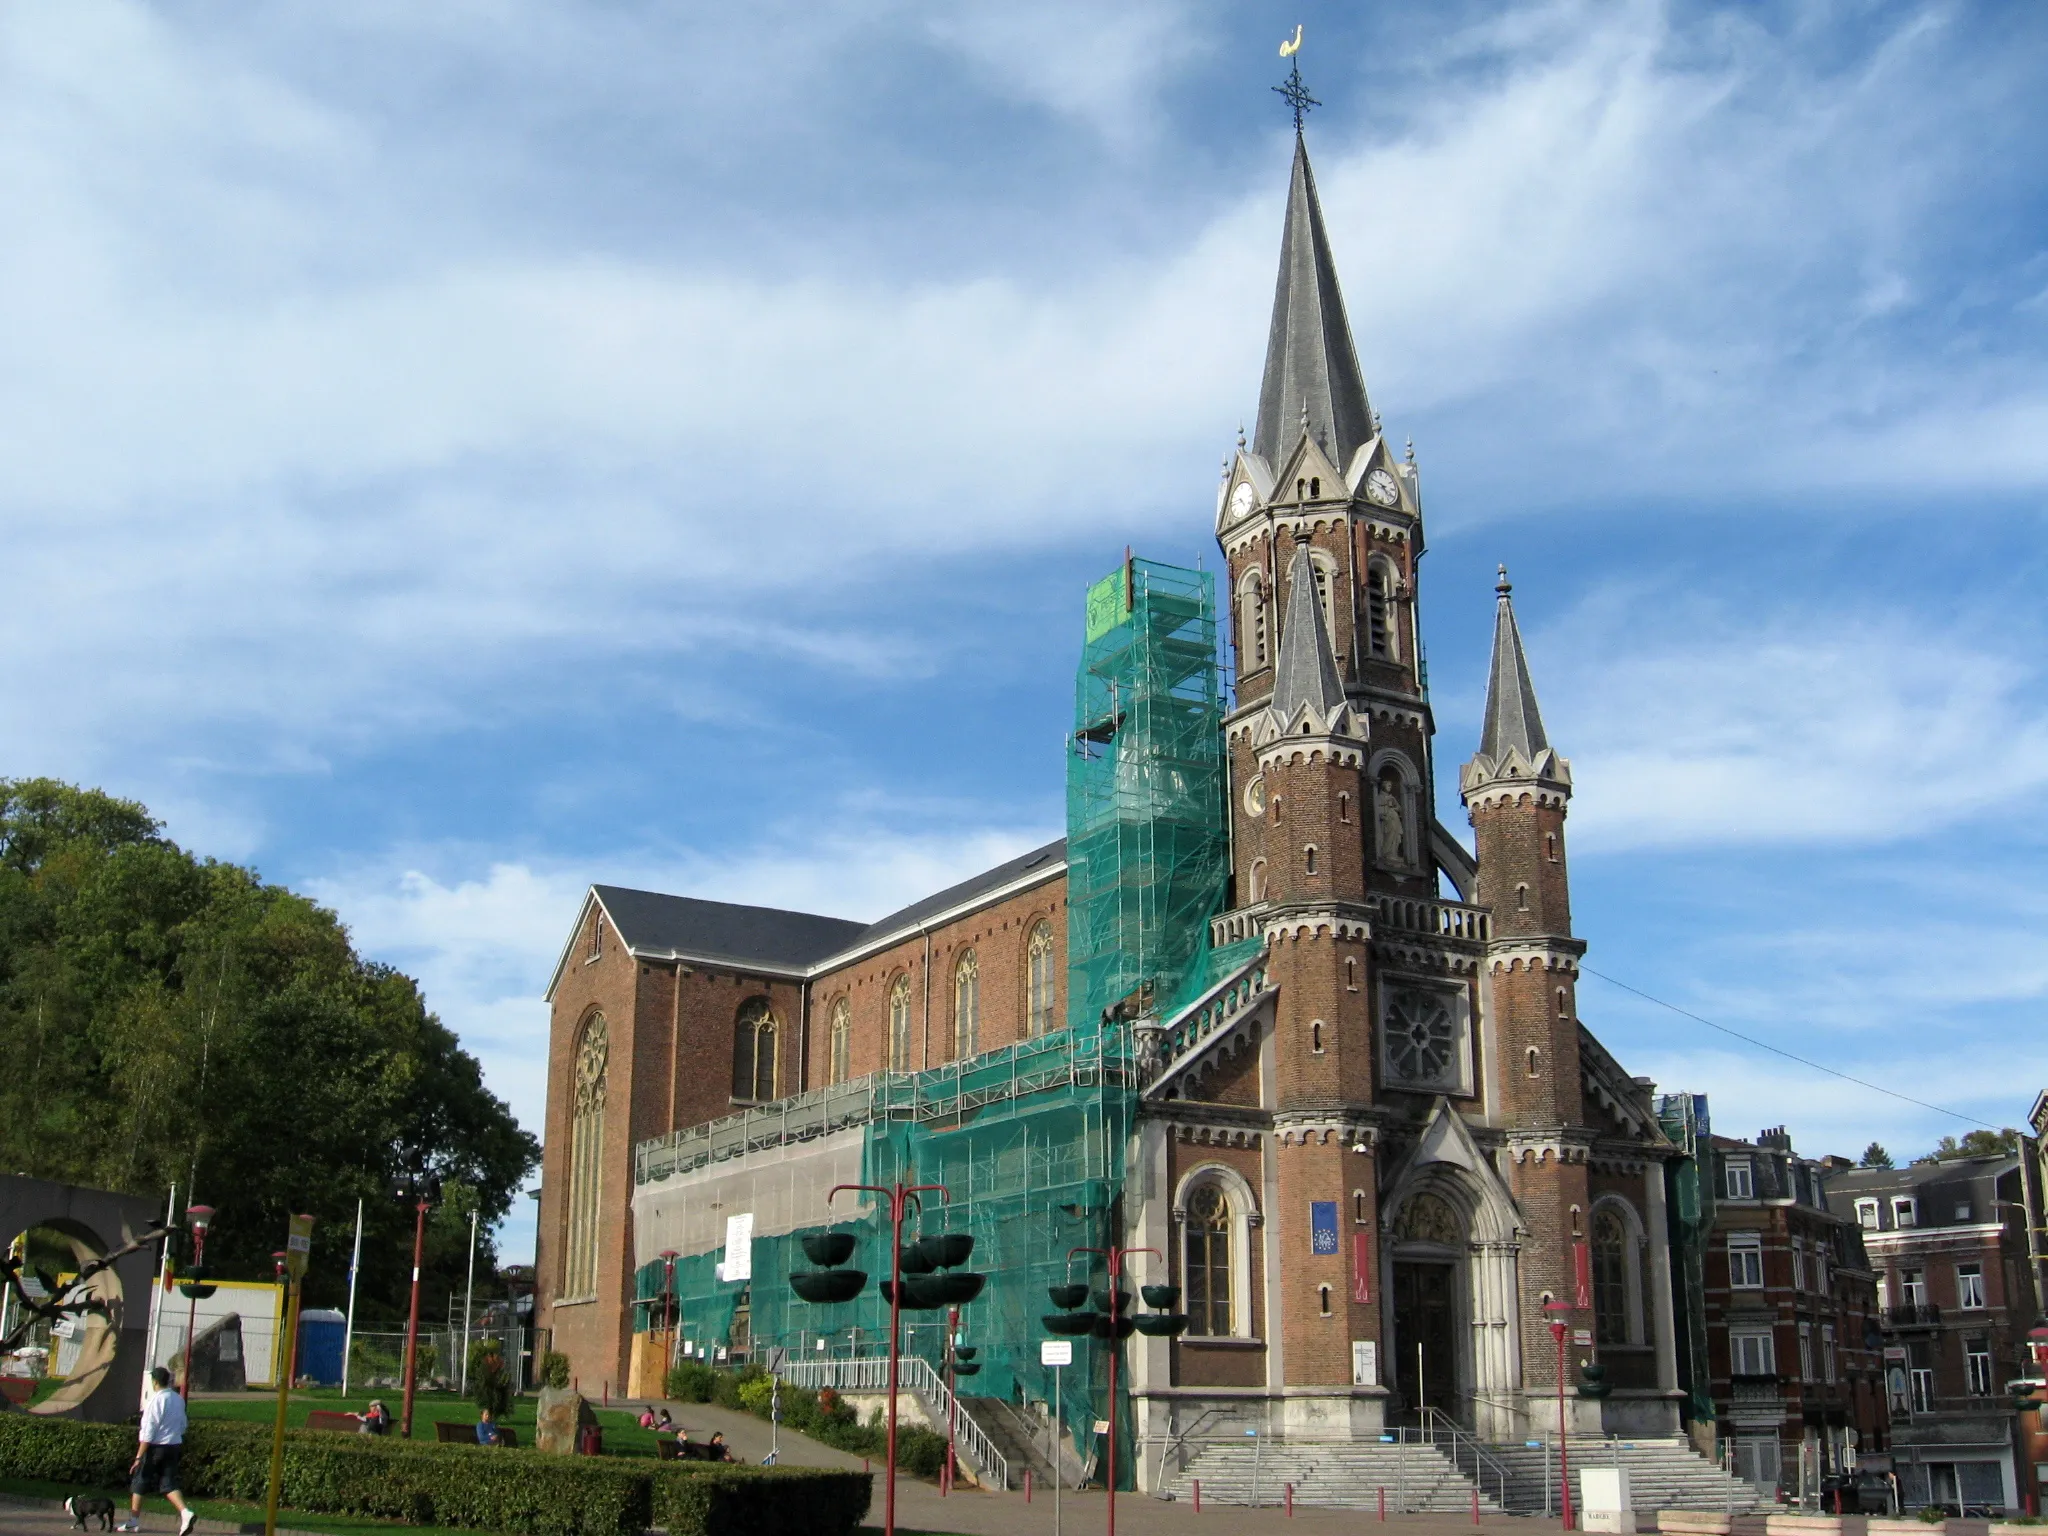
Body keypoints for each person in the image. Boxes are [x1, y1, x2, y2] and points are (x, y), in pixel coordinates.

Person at [118, 1367, 196, 1535]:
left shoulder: (154, 1401)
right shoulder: (178, 1399)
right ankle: (185, 1512)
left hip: (155, 1447)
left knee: (140, 1481)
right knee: (168, 1483)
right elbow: (183, 1424)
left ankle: (133, 1520)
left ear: (154, 1382)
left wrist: (138, 1457)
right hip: (174, 1446)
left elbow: (148, 1431)